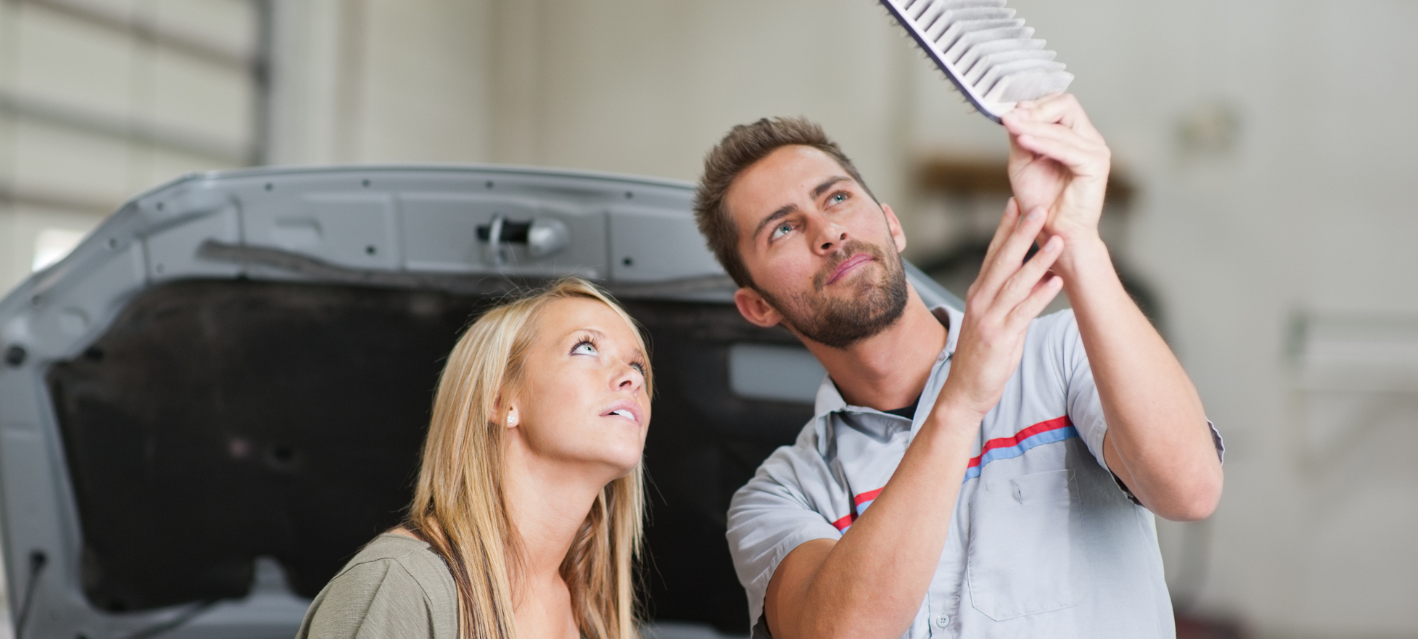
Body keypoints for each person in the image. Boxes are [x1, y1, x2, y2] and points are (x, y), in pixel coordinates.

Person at [694, 94, 1225, 638]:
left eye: (836, 197)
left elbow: (1190, 490)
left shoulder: (1061, 352)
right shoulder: (784, 494)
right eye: (782, 229)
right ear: (757, 306)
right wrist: (960, 400)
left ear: (890, 225)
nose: (826, 232)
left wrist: (1080, 244)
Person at [297, 278, 652, 639]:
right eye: (586, 347)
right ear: (499, 401)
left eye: (639, 367)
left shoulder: (604, 623)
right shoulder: (402, 585)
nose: (631, 379)